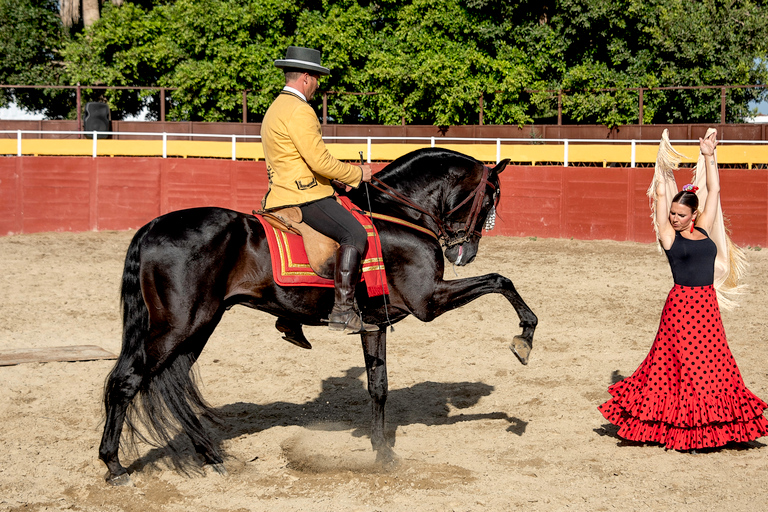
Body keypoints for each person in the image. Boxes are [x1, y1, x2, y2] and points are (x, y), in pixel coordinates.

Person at [598, 129, 768, 451]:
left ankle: (717, 428)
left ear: (693, 215)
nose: (674, 218)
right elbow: (662, 198)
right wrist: (662, 170)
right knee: (683, 370)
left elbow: (715, 188)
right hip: (680, 310)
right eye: (673, 214)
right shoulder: (668, 237)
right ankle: (681, 430)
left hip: (707, 308)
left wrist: (708, 155)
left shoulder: (703, 228)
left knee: (717, 367)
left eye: (680, 215)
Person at [260, 46, 378, 334]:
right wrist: (356, 174)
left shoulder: (275, 107)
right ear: (306, 78)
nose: (317, 85)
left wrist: (332, 181)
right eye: (316, 78)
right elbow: (319, 160)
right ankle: (342, 311)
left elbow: (298, 160)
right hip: (304, 196)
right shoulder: (301, 110)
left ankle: (292, 312)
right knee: (355, 233)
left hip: (279, 193)